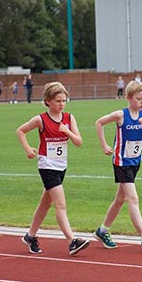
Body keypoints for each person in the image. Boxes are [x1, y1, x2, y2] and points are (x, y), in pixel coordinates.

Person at [16, 82, 90, 255]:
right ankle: (72, 241)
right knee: (60, 204)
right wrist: (28, 149)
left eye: (64, 100)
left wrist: (67, 132)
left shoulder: (69, 118)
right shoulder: (41, 119)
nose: (62, 104)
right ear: (48, 101)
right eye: (58, 101)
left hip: (61, 166)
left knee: (45, 203)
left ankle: (30, 236)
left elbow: (79, 142)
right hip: (46, 165)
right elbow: (20, 130)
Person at [93, 80, 142, 253]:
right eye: (139, 99)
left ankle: (102, 231)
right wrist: (104, 146)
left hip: (135, 162)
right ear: (129, 98)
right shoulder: (121, 115)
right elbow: (99, 123)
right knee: (133, 198)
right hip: (121, 162)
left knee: (120, 200)